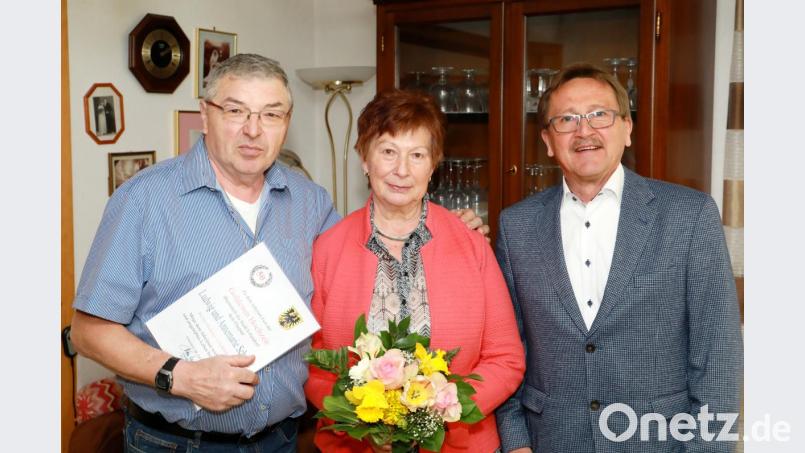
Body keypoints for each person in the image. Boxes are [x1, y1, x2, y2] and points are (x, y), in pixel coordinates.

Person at [71, 54, 486, 453]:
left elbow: (368, 257)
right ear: (205, 113)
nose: (254, 130)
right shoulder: (144, 200)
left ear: (286, 123)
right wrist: (179, 376)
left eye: (271, 114)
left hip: (281, 440)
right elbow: (88, 332)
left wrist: (445, 230)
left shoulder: (311, 202)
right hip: (176, 443)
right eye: (236, 111)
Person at [494, 63, 743, 453]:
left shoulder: (690, 215)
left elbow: (718, 357)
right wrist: (515, 442)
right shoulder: (516, 227)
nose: (584, 131)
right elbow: (506, 347)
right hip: (553, 441)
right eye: (566, 119)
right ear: (547, 140)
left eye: (599, 114)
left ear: (627, 128)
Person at [304, 89, 525, 453]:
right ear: (364, 157)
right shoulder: (328, 248)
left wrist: (441, 410)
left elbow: (506, 358)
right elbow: (312, 359)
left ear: (433, 164)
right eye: (388, 151)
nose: (402, 170)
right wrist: (365, 413)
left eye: (417, 155)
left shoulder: (471, 244)